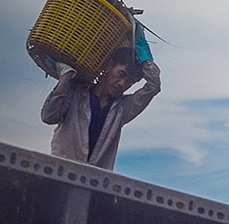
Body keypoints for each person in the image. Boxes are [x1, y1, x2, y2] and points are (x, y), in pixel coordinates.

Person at [40, 24, 160, 169]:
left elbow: (153, 86)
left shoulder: (122, 109)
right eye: (121, 74)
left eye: (129, 81)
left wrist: (144, 55)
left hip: (93, 184)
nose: (122, 83)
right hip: (59, 173)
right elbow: (49, 117)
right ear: (110, 66)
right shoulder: (76, 92)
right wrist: (65, 79)